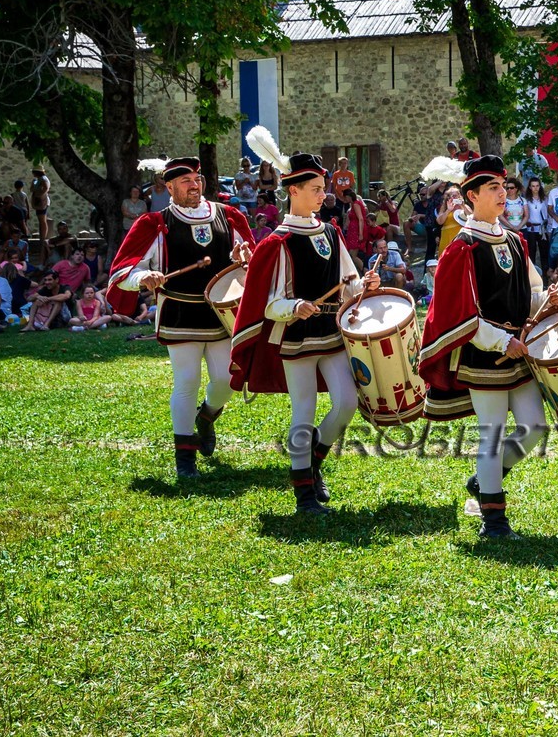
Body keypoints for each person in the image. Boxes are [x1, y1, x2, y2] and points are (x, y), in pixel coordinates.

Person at [416, 154, 558, 539]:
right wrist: (502, 340)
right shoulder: (462, 248)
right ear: (472, 197)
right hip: (484, 354)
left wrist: (549, 298)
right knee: (492, 434)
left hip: (519, 352)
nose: (503, 193)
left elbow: (528, 294)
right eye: (494, 188)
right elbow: (457, 316)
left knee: (534, 427)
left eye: (503, 186)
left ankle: (486, 481)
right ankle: (494, 521)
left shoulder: (516, 241)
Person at [230, 131, 379, 514]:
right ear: (293, 190)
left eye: (322, 187)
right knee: (304, 410)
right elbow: (267, 304)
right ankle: (303, 494)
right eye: (315, 188)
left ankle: (313, 459)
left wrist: (364, 284)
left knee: (346, 403)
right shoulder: (277, 242)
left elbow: (348, 282)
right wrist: (294, 306)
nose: (322, 195)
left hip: (331, 334)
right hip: (296, 338)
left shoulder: (330, 231)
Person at [106, 156, 255, 478]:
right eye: (185, 181)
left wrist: (244, 257)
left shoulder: (228, 216)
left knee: (227, 379)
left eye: (197, 179)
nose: (194, 185)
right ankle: (185, 457)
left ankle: (207, 416)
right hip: (178, 311)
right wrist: (143, 278)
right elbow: (124, 269)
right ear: (168, 187)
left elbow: (250, 258)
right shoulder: (153, 223)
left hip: (221, 314)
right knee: (187, 381)